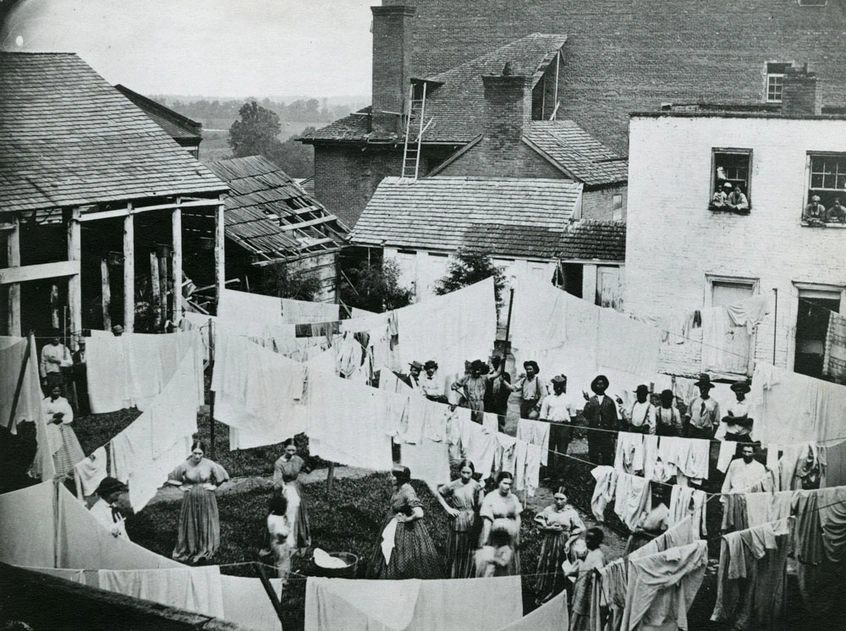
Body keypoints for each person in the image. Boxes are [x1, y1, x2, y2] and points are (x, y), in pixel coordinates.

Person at [367, 466, 442, 579]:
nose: (390, 478)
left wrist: (406, 519)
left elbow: (419, 513)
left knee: (403, 554)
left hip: (405, 529)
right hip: (394, 521)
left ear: (400, 478)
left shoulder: (408, 492)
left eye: (393, 476)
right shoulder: (399, 487)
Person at [166, 440, 230, 564]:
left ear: (204, 453)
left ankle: (204, 547)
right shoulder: (185, 464)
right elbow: (172, 478)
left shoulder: (210, 464)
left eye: (200, 453)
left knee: (205, 520)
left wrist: (214, 486)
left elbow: (223, 477)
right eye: (195, 453)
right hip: (190, 498)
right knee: (190, 521)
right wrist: (182, 487)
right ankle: (191, 547)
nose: (197, 456)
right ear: (191, 452)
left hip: (206, 497)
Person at [534, 487, 585, 604]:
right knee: (548, 564)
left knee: (562, 567)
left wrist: (568, 542)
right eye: (556, 498)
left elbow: (577, 530)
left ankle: (561, 594)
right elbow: (539, 525)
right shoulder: (548, 510)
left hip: (564, 542)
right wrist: (548, 528)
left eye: (562, 499)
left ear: (567, 499)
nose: (558, 502)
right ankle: (545, 593)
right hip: (550, 542)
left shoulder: (571, 513)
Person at [436, 459, 484, 578]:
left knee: (469, 551)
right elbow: (438, 493)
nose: (466, 476)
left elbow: (480, 505)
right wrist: (448, 508)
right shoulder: (453, 484)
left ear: (473, 472)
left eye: (469, 473)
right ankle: (454, 576)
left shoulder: (476, 485)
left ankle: (467, 576)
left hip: (472, 520)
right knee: (456, 549)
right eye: (463, 472)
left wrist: (482, 490)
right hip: (457, 520)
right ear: (459, 472)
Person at [478, 471, 523, 576]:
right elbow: (487, 519)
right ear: (498, 482)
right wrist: (485, 538)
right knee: (492, 561)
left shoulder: (513, 498)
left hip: (510, 536)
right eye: (504, 483)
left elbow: (517, 517)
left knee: (508, 561)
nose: (507, 487)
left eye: (509, 484)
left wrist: (516, 536)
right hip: (495, 535)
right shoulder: (490, 497)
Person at [272, 438, 311, 550]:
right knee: (287, 516)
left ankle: (300, 538)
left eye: (293, 450)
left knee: (298, 514)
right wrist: (284, 489)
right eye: (289, 450)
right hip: (285, 489)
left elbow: (307, 469)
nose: (291, 453)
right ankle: (286, 541)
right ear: (284, 448)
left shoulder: (298, 459)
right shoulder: (279, 463)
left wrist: (311, 457)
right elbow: (277, 481)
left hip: (296, 489)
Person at [567, 528, 605, 631]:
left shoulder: (598, 555)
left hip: (588, 594)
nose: (588, 542)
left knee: (584, 618)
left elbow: (600, 571)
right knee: (577, 614)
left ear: (598, 541)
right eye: (587, 539)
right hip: (581, 590)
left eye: (591, 539)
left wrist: (595, 572)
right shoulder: (589, 552)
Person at [43, 385, 85, 477]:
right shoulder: (45, 402)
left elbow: (69, 414)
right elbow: (43, 416)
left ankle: (70, 469)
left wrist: (62, 420)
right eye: (54, 391)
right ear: (50, 391)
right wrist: (53, 417)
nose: (57, 393)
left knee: (68, 446)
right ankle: (56, 470)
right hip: (51, 427)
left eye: (58, 391)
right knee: (54, 446)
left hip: (63, 426)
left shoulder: (63, 401)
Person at [539, 375, 579, 467]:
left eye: (561, 385)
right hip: (551, 427)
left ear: (564, 386)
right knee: (549, 451)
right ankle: (549, 473)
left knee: (562, 452)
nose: (558, 388)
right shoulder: (547, 399)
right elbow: (543, 416)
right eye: (556, 385)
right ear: (553, 386)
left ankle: (560, 474)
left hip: (563, 427)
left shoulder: (569, 399)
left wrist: (571, 432)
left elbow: (573, 416)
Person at [583, 375, 618, 466]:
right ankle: (594, 476)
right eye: (598, 384)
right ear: (595, 386)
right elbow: (586, 415)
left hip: (606, 433)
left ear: (605, 386)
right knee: (593, 454)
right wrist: (587, 402)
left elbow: (614, 417)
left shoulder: (610, 401)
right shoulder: (591, 400)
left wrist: (613, 431)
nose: (600, 386)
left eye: (602, 384)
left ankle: (605, 477)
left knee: (606, 454)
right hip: (593, 432)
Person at [624, 484, 669, 553]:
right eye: (655, 493)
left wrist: (646, 534)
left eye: (660, 494)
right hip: (634, 537)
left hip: (648, 541)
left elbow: (663, 532)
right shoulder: (643, 503)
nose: (657, 496)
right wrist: (633, 528)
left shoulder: (664, 510)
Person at [266, 494, 294, 583]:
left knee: (278, 561)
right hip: (281, 544)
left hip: (273, 542)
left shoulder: (271, 517)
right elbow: (282, 535)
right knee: (283, 563)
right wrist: (288, 526)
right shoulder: (279, 520)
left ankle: (278, 577)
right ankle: (283, 581)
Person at [685, 373, 720, 439]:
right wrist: (686, 432)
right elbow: (688, 416)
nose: (703, 389)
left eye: (705, 387)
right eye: (701, 387)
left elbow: (716, 422)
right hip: (693, 430)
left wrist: (712, 435)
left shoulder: (714, 403)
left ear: (709, 388)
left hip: (706, 431)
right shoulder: (693, 400)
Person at [484, 355, 512, 431]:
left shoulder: (506, 375)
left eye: (497, 362)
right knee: (489, 422)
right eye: (494, 362)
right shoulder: (490, 375)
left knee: (501, 423)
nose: (496, 364)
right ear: (492, 363)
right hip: (490, 403)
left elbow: (508, 390)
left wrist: (503, 400)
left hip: (501, 404)